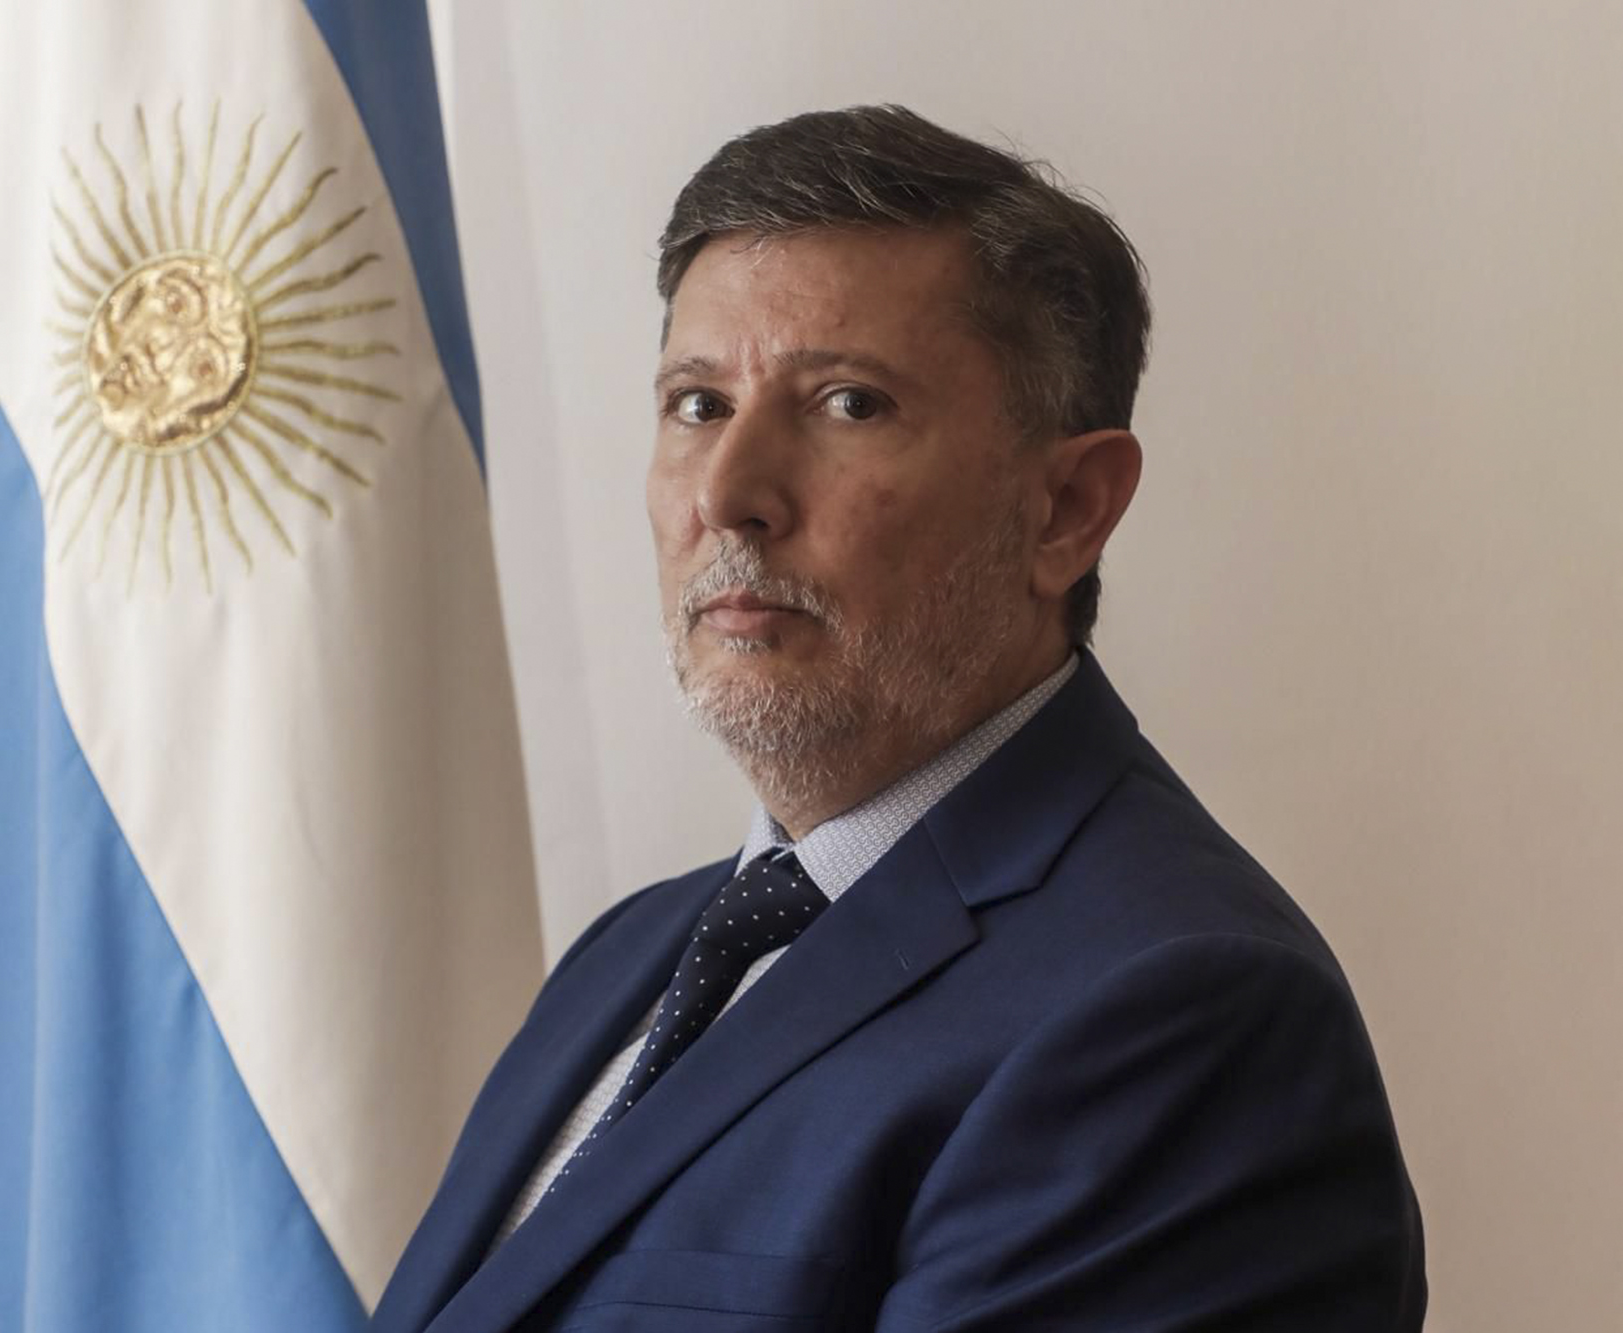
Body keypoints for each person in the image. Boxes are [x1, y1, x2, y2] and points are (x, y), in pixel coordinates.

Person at [373, 104, 1426, 1332]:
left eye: (847, 403)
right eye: (698, 404)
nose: (729, 494)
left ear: (1067, 510)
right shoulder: (625, 957)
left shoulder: (1185, 1016)